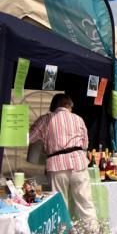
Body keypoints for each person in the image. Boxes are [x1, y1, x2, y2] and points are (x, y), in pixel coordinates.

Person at [29, 94, 96, 223]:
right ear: (69, 106)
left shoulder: (45, 119)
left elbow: (30, 138)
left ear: (54, 106)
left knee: (60, 205)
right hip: (79, 163)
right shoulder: (78, 119)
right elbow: (85, 144)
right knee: (85, 203)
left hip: (57, 165)